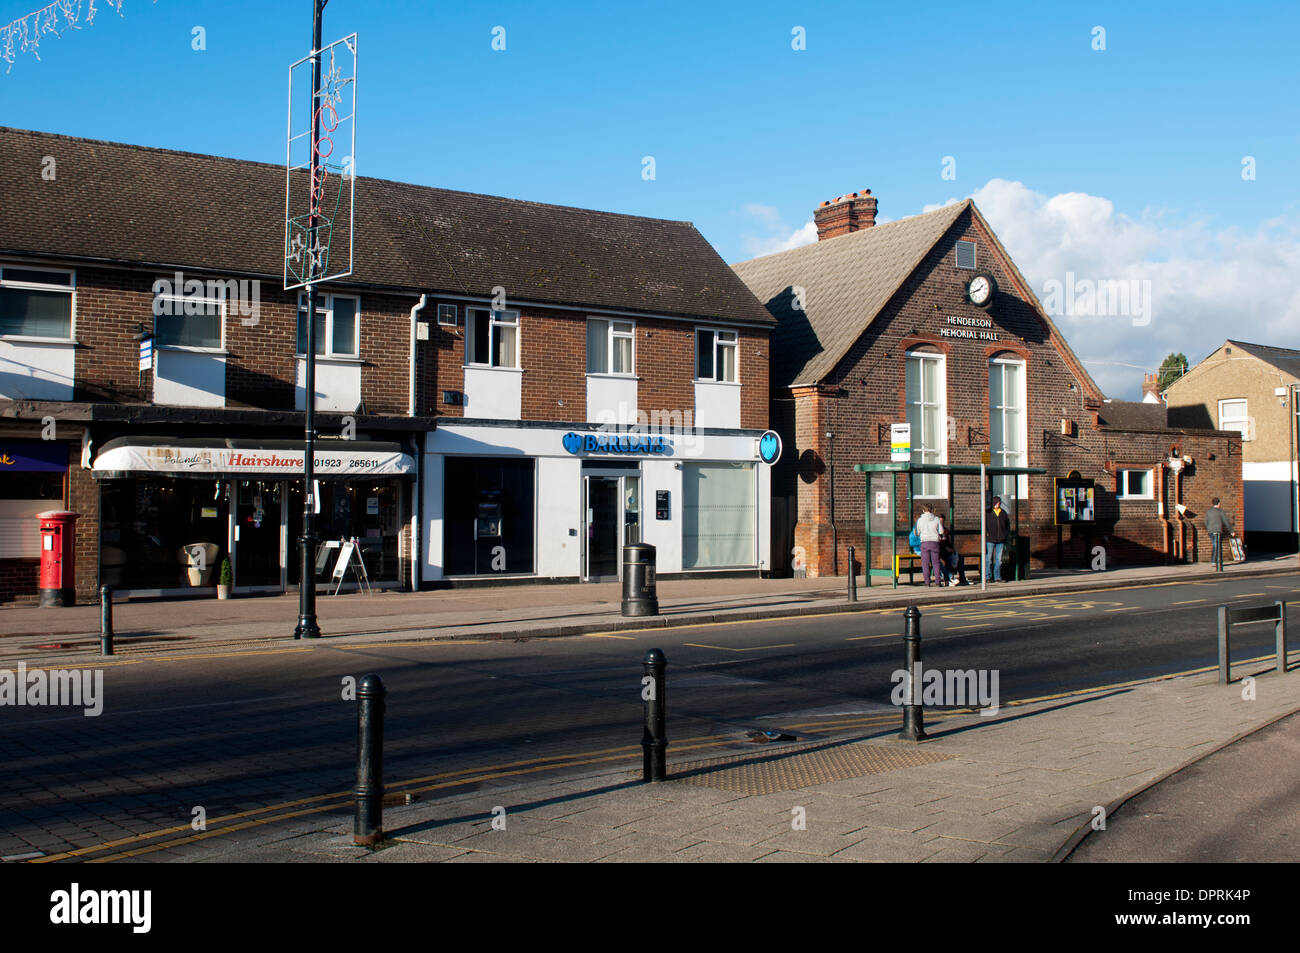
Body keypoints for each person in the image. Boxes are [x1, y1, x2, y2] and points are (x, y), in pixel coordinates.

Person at [915, 503, 944, 587]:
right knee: (936, 563)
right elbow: (941, 531)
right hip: (934, 543)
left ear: (923, 510)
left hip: (924, 543)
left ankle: (927, 582)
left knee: (925, 563)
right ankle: (938, 581)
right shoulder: (936, 519)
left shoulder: (920, 520)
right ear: (931, 509)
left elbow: (917, 532)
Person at [985, 496, 1010, 583]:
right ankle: (988, 577)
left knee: (999, 560)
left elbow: (1007, 525)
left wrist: (1005, 535)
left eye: (999, 502)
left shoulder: (1003, 513)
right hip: (990, 539)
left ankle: (997, 577)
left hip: (1001, 539)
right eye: (996, 502)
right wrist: (986, 534)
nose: (998, 504)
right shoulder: (988, 513)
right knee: (988, 559)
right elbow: (984, 525)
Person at [1205, 497, 1233, 572]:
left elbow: (1206, 522)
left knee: (1215, 545)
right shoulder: (1220, 512)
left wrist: (1209, 529)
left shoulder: (1208, 511)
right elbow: (1226, 522)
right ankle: (1215, 561)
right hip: (1217, 531)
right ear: (1219, 503)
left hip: (1210, 531)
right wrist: (1231, 531)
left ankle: (1214, 561)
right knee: (1217, 546)